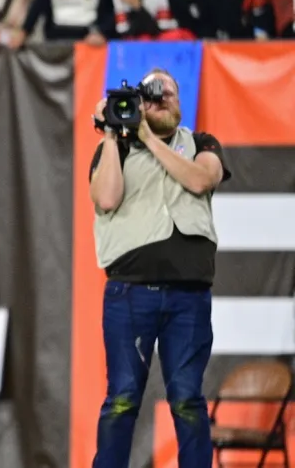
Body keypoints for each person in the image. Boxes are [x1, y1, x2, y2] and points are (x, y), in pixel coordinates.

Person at [89, 69, 229, 468]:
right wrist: (114, 134)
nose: (160, 98)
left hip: (189, 297)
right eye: (150, 95)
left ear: (180, 102)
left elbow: (202, 180)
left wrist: (149, 138)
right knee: (122, 399)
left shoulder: (201, 143)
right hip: (129, 294)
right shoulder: (115, 149)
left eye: (168, 91)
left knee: (187, 398)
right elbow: (107, 197)